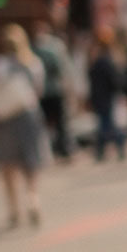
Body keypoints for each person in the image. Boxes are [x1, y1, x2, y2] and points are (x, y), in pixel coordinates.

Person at [0, 23, 48, 227]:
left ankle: (13, 208)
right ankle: (33, 198)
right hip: (27, 115)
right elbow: (38, 91)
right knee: (31, 160)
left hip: (3, 119)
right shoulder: (33, 64)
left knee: (8, 164)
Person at [86, 26, 127, 161]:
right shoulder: (107, 61)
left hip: (100, 98)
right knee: (112, 124)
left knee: (105, 124)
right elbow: (115, 80)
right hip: (109, 97)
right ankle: (117, 147)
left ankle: (102, 150)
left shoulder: (95, 62)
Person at [31, 18, 75, 160]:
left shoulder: (40, 48)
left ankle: (56, 149)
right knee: (59, 123)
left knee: (53, 123)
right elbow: (64, 68)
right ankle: (63, 149)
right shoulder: (52, 47)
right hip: (52, 90)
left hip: (47, 91)